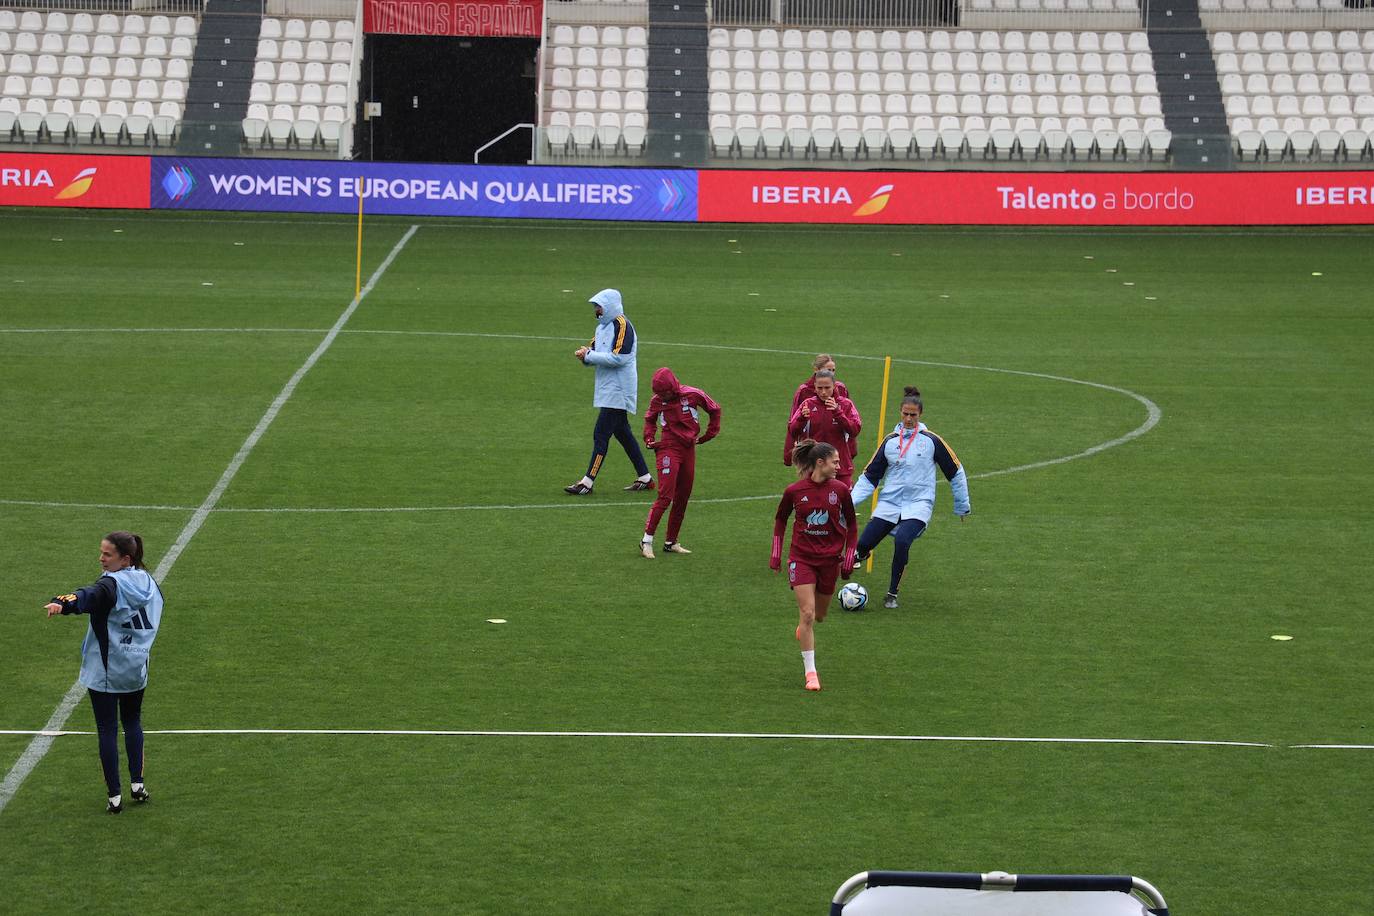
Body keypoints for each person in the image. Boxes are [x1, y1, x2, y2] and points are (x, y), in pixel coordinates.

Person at [44, 532, 165, 813]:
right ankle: (138, 784)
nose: (101, 558)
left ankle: (115, 796)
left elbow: (90, 595)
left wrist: (63, 602)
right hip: (136, 667)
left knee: (107, 730)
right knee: (133, 722)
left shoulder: (111, 584)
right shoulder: (147, 580)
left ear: (125, 559)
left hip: (107, 669)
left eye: (107, 554)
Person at [850, 386, 971, 610]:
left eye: (913, 415)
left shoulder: (931, 441)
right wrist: (849, 503)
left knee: (903, 540)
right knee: (863, 544)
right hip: (889, 503)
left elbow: (955, 471)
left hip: (919, 505)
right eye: (905, 414)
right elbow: (869, 477)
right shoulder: (890, 441)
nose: (908, 419)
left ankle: (892, 593)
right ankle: (861, 553)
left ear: (920, 414)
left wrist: (962, 505)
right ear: (900, 412)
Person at [771, 440, 857, 692]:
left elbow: (851, 525)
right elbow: (780, 520)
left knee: (819, 616)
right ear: (821, 463)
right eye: (835, 462)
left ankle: (804, 628)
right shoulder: (794, 491)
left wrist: (849, 555)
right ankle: (811, 672)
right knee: (807, 612)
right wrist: (776, 554)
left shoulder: (841, 491)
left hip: (829, 560)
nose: (839, 465)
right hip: (802, 558)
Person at [565, 288, 654, 495]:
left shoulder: (623, 325)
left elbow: (619, 358)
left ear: (610, 306)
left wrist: (590, 356)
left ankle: (587, 481)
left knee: (601, 434)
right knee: (623, 433)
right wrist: (585, 357)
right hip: (607, 388)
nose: (596, 310)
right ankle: (645, 477)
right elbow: (595, 353)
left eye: (599, 306)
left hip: (619, 389)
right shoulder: (601, 328)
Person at [639, 367, 722, 559]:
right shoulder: (657, 401)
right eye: (659, 393)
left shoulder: (693, 394)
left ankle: (671, 541)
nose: (663, 397)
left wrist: (709, 434)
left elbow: (715, 409)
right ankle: (646, 540)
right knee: (665, 495)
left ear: (673, 387)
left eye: (665, 392)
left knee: (683, 495)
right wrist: (649, 438)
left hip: (688, 449)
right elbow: (649, 420)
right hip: (668, 447)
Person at [787, 369, 862, 487]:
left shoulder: (846, 404)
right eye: (819, 388)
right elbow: (792, 431)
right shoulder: (807, 404)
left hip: (840, 468)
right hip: (814, 468)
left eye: (827, 388)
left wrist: (838, 413)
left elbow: (854, 430)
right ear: (815, 386)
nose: (823, 392)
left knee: (843, 504)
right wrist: (801, 418)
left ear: (834, 386)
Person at [783, 353, 854, 466]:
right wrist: (789, 452)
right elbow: (793, 421)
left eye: (833, 370)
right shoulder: (804, 390)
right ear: (816, 370)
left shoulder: (840, 388)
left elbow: (849, 419)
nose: (830, 374)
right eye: (827, 370)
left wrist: (851, 448)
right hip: (812, 449)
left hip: (837, 450)